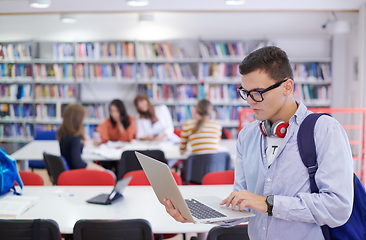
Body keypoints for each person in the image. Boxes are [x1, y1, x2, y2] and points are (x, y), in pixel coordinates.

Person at [163, 46, 354, 240]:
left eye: (258, 92)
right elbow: (244, 203)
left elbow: (338, 207)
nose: (250, 101)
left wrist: (269, 203)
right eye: (246, 92)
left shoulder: (325, 130)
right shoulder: (247, 136)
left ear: (287, 87)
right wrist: (197, 215)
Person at [57, 104, 105, 171]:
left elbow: (72, 154)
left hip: (68, 172)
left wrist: (82, 145)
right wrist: (99, 168)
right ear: (78, 121)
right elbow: (78, 164)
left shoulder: (64, 134)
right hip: (76, 174)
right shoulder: (75, 138)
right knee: (108, 173)